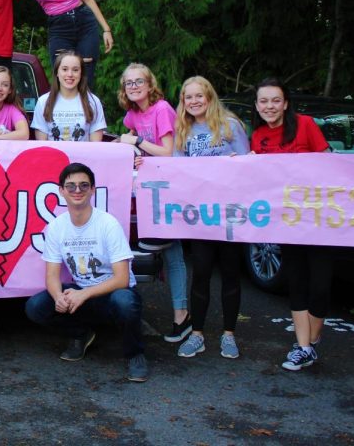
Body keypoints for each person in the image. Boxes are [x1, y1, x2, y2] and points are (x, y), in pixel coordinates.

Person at [24, 163, 148, 382]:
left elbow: (122, 279)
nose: (77, 191)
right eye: (70, 186)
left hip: (110, 294)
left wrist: (84, 294)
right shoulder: (56, 227)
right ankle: (80, 334)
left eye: (83, 185)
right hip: (81, 293)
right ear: (61, 191)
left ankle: (135, 354)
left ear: (93, 189)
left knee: (125, 301)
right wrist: (58, 297)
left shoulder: (108, 224)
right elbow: (52, 276)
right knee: (35, 307)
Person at [250, 78, 331, 372]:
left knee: (320, 286)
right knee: (296, 282)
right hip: (286, 223)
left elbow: (331, 166)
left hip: (319, 219)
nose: (269, 106)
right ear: (257, 106)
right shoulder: (257, 136)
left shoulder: (306, 125)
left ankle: (312, 337)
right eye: (263, 101)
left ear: (285, 103)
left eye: (275, 100)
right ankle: (303, 346)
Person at [172, 77, 250, 359]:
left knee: (230, 274)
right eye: (187, 97)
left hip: (229, 213)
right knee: (201, 273)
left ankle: (229, 335)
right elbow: (175, 171)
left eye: (198, 96)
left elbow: (248, 165)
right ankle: (197, 335)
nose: (193, 101)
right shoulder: (183, 130)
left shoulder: (230, 125)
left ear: (209, 97)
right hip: (200, 216)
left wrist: (237, 165)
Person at [117, 62, 190, 344]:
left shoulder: (162, 109)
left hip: (173, 185)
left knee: (173, 252)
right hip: (154, 189)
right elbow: (140, 148)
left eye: (139, 82)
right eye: (129, 83)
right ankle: (181, 317)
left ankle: (182, 316)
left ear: (150, 85)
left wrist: (136, 142)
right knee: (172, 254)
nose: (134, 87)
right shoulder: (133, 114)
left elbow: (168, 152)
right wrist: (133, 149)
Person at [31, 51, 106, 142]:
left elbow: (96, 147)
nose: (70, 74)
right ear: (57, 73)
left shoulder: (93, 101)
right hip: (54, 156)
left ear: (81, 74)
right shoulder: (43, 101)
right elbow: (42, 146)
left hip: (83, 156)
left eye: (75, 70)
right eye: (65, 69)